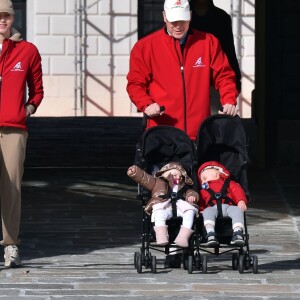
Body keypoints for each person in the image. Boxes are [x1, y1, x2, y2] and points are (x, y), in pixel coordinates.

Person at [126, 0, 239, 142]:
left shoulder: (208, 42)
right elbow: (135, 84)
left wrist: (229, 100)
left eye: (183, 21)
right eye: (174, 21)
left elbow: (224, 76)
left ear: (190, 16)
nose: (178, 26)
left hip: (199, 134)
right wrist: (146, 104)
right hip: (162, 133)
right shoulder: (144, 47)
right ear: (164, 17)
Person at [0, 0, 44, 268]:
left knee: (12, 187)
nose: (2, 20)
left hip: (14, 129)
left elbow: (37, 89)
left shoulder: (27, 51)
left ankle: (10, 244)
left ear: (13, 18)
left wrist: (27, 109)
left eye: (6, 16)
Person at [127, 162, 199, 248]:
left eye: (180, 176)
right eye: (175, 175)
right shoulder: (157, 182)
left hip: (180, 206)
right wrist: (135, 172)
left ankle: (183, 237)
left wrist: (192, 196)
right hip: (163, 205)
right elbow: (145, 178)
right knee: (158, 213)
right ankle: (161, 235)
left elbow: (190, 191)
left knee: (190, 211)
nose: (178, 178)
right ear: (167, 173)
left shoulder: (183, 185)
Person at [189, 0, 241, 93]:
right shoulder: (182, 17)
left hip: (214, 81)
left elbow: (228, 50)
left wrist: (235, 81)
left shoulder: (222, 18)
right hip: (188, 80)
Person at [197, 161, 248, 247]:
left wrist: (241, 201)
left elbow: (237, 191)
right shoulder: (203, 191)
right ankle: (210, 233)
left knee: (237, 210)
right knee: (207, 212)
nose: (203, 181)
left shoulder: (229, 183)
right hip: (212, 208)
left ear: (217, 173)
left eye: (204, 178)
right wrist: (201, 210)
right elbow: (201, 201)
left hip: (229, 206)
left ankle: (238, 232)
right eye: (201, 180)